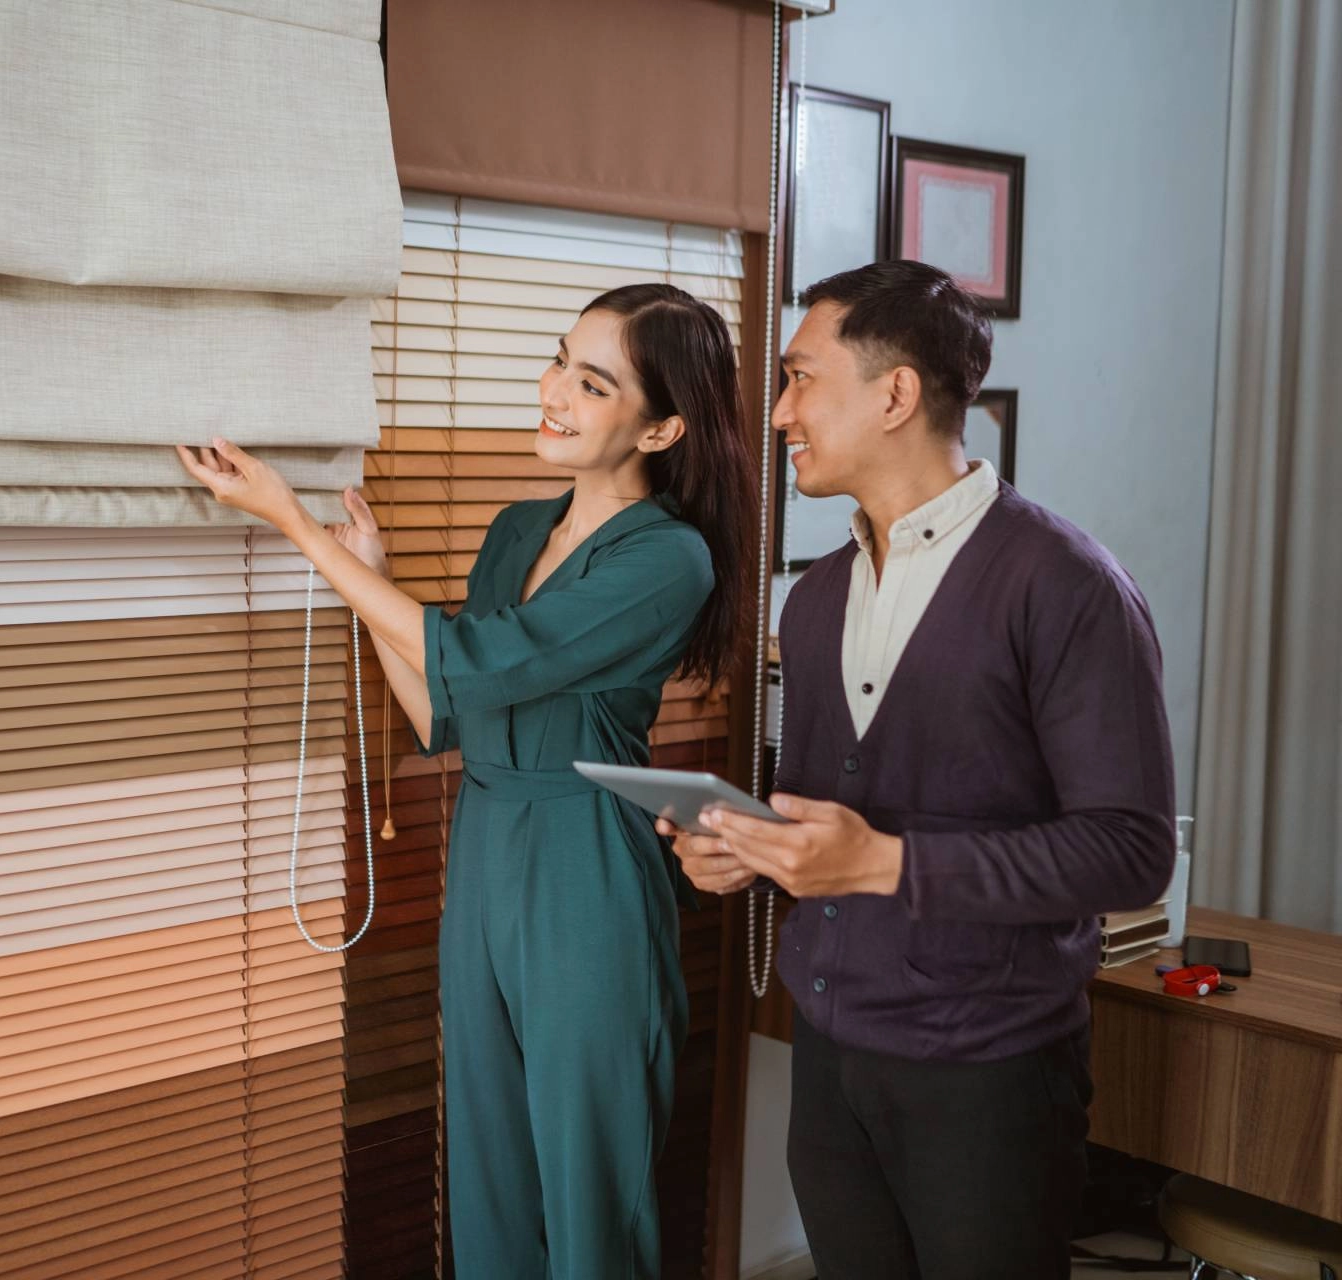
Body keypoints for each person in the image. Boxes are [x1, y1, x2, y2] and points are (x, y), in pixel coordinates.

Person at [178, 283, 757, 1277]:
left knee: (589, 1191)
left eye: (592, 381)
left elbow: (490, 655)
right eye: (557, 360)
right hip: (485, 847)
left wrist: (296, 525)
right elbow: (444, 711)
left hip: (588, 868)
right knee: (488, 1174)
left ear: (661, 426)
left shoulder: (670, 560)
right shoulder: (513, 531)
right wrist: (372, 577)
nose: (553, 391)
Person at [663, 260, 1176, 1280]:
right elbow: (832, 815)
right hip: (833, 1054)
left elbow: (1131, 849)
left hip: (989, 1071)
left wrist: (890, 863)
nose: (777, 412)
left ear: (895, 394)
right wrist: (749, 850)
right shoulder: (812, 603)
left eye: (802, 377)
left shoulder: (1065, 586)